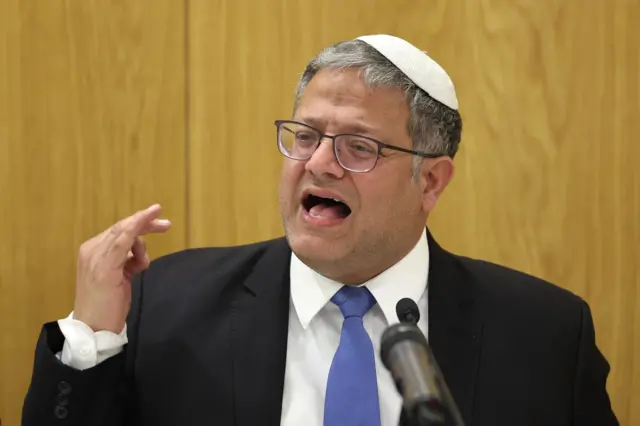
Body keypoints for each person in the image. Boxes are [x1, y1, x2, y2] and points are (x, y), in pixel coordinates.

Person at [22, 34, 618, 426]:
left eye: (358, 146)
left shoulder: (545, 335)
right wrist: (91, 339)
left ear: (431, 181)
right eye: (305, 136)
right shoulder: (167, 303)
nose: (318, 163)